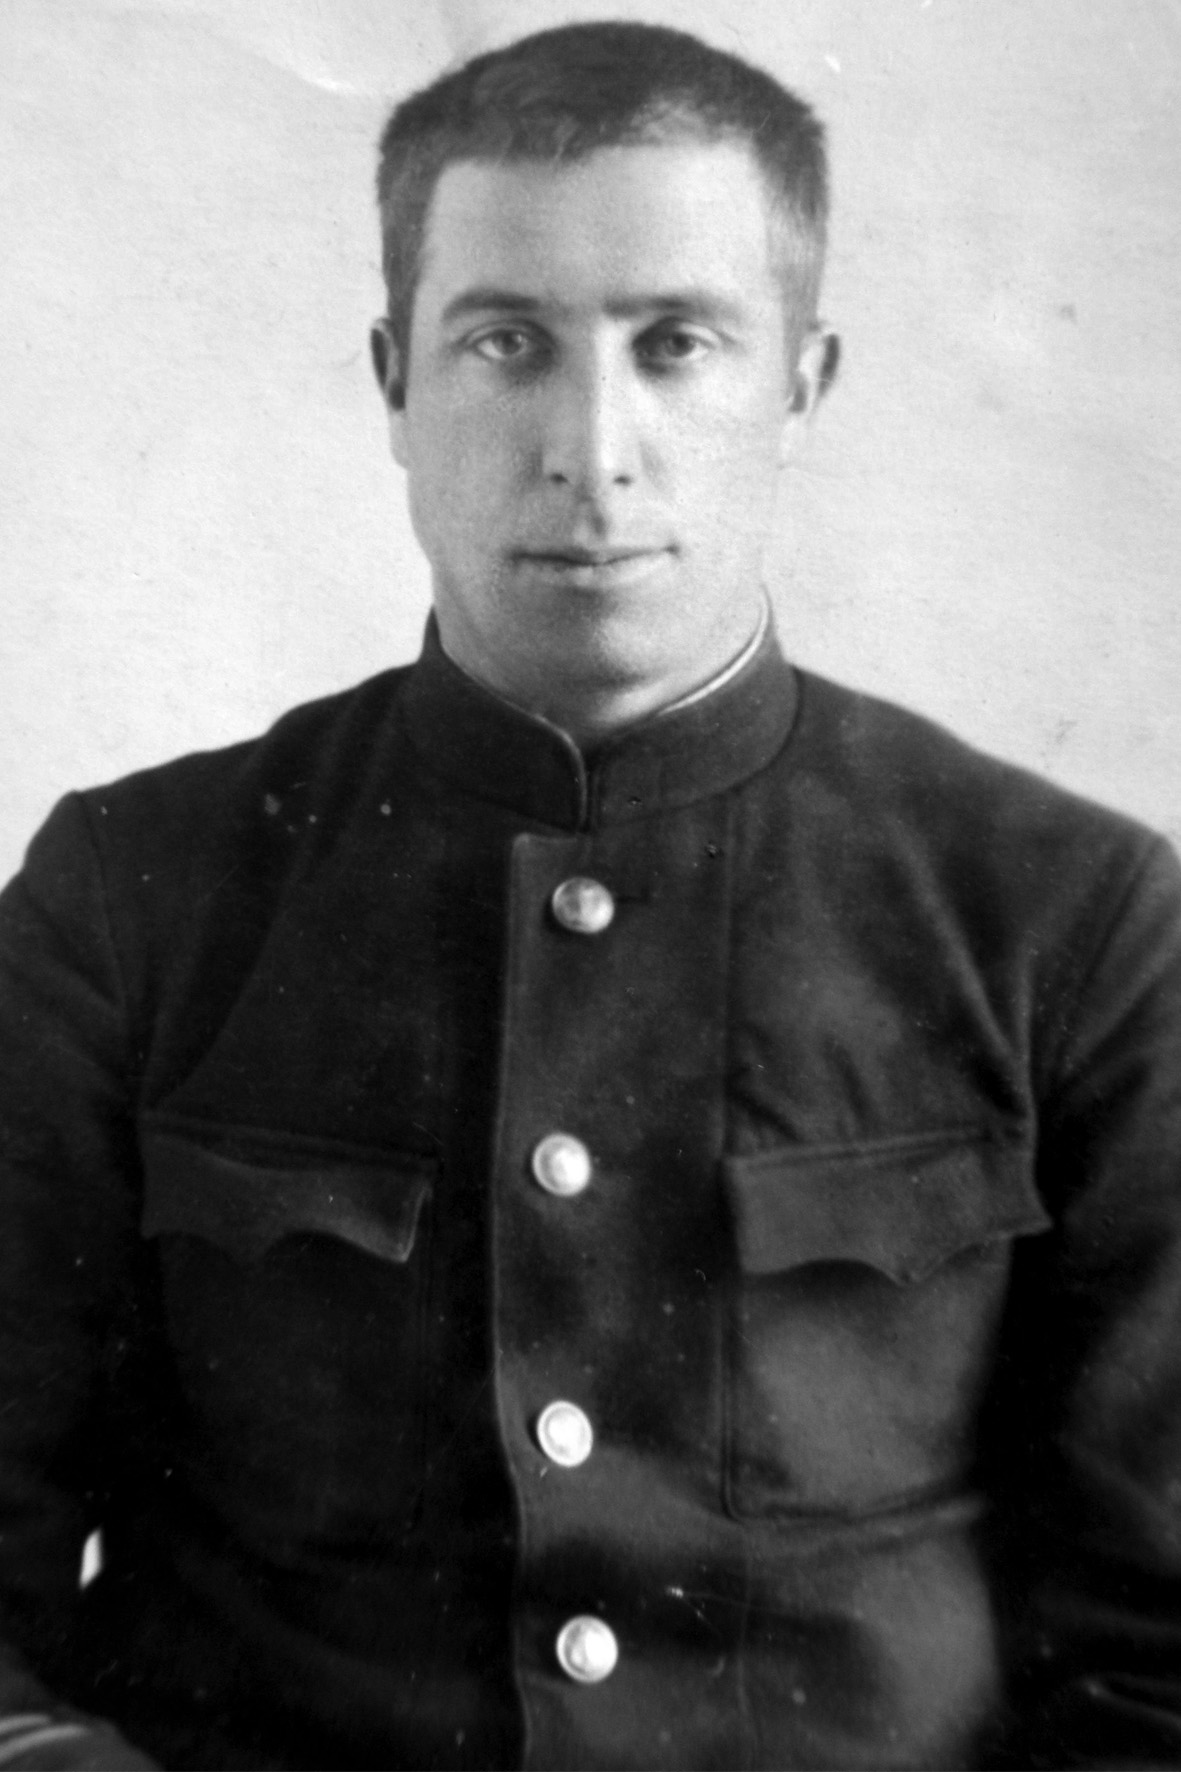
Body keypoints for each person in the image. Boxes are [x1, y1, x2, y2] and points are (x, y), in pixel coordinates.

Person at [0, 17, 1179, 1770]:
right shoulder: (134, 896)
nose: (591, 447)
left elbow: (1159, 1671)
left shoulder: (1068, 920)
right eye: (507, 344)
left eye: (676, 344)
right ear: (395, 382)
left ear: (801, 385)